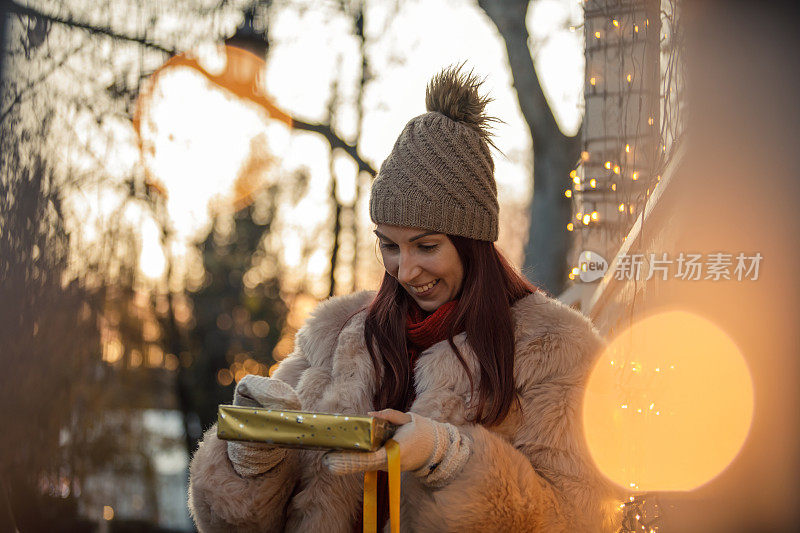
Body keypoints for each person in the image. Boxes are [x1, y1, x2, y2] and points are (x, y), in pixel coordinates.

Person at [187, 66, 621, 532]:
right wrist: (250, 454)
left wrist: (449, 457)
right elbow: (237, 521)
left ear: (472, 242)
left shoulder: (554, 348)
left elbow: (581, 517)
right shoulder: (335, 334)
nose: (405, 271)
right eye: (389, 246)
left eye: (427, 246)